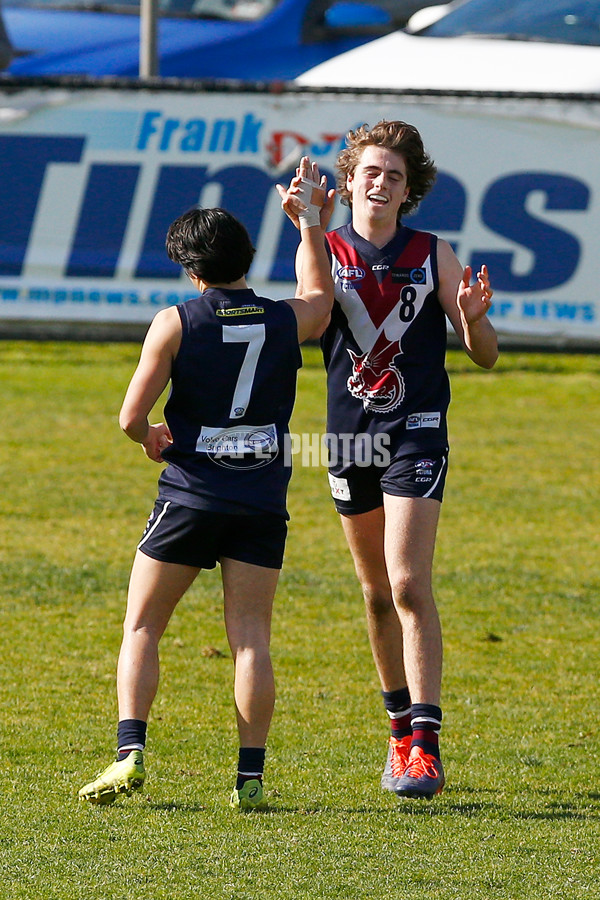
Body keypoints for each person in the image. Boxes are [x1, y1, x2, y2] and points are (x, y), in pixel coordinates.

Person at [78, 158, 334, 810]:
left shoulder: (176, 320)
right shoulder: (283, 320)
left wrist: (150, 439)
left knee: (142, 627)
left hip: (190, 495)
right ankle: (249, 781)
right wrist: (309, 224)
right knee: (251, 638)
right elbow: (321, 297)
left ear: (191, 270)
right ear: (246, 258)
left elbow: (130, 417)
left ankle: (129, 753)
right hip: (259, 502)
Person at [279, 121, 498, 799]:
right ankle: (398, 731)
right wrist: (311, 228)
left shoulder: (434, 252)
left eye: (394, 175)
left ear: (410, 190)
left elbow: (485, 354)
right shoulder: (326, 246)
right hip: (349, 437)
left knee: (407, 583)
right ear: (348, 183)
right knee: (375, 593)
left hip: (416, 431)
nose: (380, 183)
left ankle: (426, 748)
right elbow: (313, 321)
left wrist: (471, 316)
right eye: (370, 172)